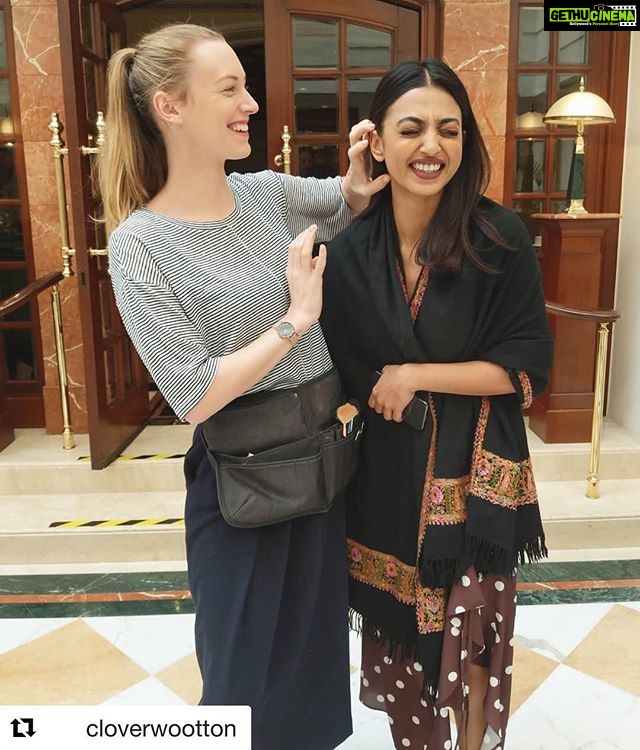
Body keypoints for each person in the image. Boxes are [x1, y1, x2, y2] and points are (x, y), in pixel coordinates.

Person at [97, 23, 388, 750]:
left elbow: (347, 201)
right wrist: (295, 321)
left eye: (246, 88)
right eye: (229, 89)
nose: (251, 104)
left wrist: (362, 172)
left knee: (313, 673)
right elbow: (194, 395)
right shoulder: (139, 243)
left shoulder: (266, 194)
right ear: (170, 107)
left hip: (321, 469)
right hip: (241, 491)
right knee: (238, 682)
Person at [320, 59, 553, 750]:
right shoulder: (349, 252)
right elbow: (345, 372)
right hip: (386, 477)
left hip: (475, 473)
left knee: (474, 642)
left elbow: (524, 367)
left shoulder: (497, 237)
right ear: (376, 142)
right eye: (412, 128)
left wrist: (416, 374)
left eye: (449, 130)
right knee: (399, 645)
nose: (432, 146)